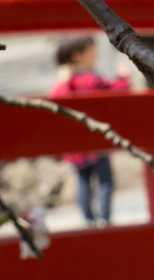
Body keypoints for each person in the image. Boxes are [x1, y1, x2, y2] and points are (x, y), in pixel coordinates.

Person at [50, 37, 130, 226]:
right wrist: (123, 79)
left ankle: (88, 220)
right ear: (78, 56)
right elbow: (111, 93)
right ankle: (105, 220)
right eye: (93, 52)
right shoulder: (91, 79)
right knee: (105, 182)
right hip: (96, 141)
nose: (97, 56)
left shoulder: (63, 83)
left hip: (76, 145)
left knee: (84, 182)